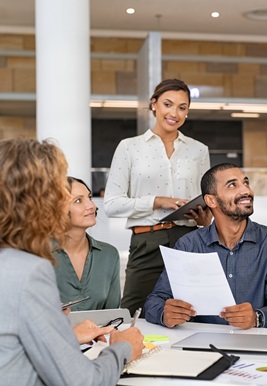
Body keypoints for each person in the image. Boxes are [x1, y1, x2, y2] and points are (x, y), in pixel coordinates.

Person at [0, 138, 144, 385]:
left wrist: (57, 329)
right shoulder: (29, 270)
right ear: (37, 199)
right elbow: (81, 381)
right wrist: (123, 349)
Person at [104, 78, 211, 317]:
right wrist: (157, 201)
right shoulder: (129, 147)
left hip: (190, 239)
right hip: (147, 242)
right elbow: (111, 204)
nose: (174, 113)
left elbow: (207, 198)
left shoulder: (199, 150)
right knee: (132, 313)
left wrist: (206, 217)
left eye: (182, 107)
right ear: (154, 104)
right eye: (168, 104)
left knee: (193, 313)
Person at [145, 163, 267, 330]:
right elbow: (155, 301)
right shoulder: (188, 245)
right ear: (211, 200)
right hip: (200, 347)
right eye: (233, 185)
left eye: (246, 183)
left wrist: (256, 318)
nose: (246, 190)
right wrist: (165, 314)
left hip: (255, 344)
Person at [53, 177, 121, 310]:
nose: (92, 206)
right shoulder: (40, 255)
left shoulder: (109, 255)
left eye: (89, 198)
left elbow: (113, 316)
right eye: (78, 201)